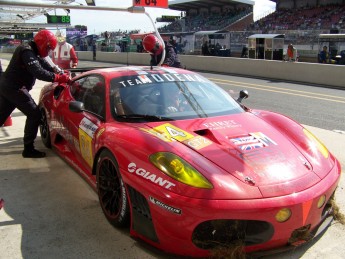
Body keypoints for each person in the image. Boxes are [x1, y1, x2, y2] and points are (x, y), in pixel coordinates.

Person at [0, 29, 71, 158]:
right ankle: (28, 148)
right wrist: (58, 78)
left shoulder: (33, 51)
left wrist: (60, 73)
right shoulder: (27, 51)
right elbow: (38, 72)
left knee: (1, 115)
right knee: (35, 114)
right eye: (49, 48)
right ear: (43, 43)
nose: (49, 51)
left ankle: (28, 148)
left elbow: (44, 65)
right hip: (14, 88)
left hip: (8, 87)